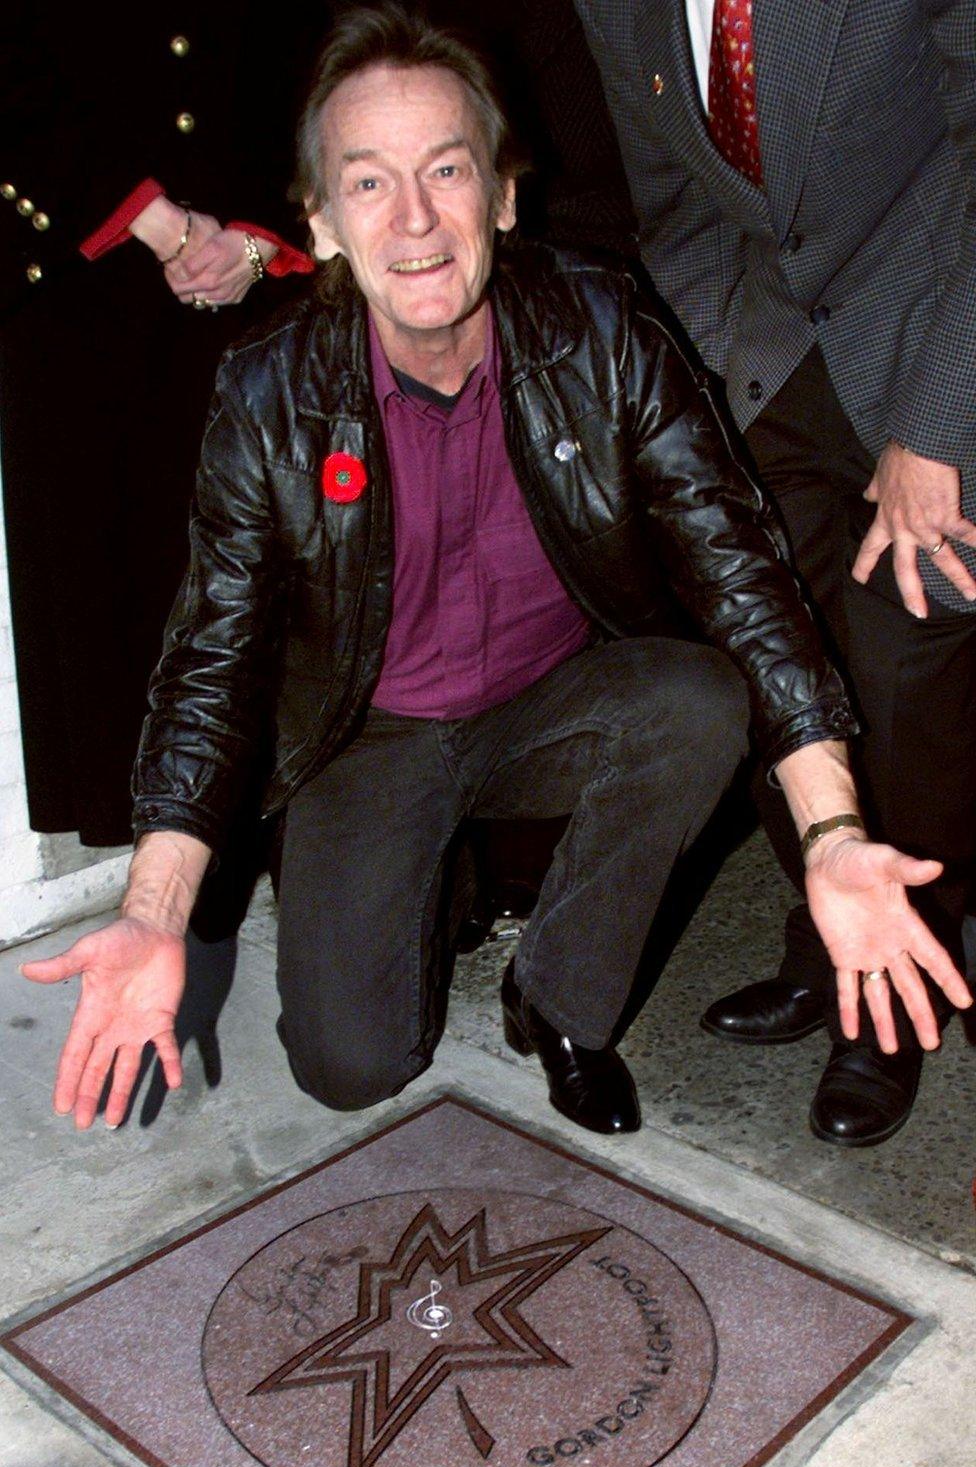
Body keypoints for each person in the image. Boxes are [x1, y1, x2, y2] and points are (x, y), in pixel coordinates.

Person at [22, 5, 971, 1140]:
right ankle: (416, 897)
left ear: (505, 198)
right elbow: (210, 666)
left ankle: (559, 1001)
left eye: (447, 171)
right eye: (368, 184)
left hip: (549, 707)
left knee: (698, 697)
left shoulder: (603, 333)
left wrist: (831, 836)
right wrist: (154, 909)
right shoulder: (267, 393)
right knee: (349, 1064)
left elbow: (744, 580)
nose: (415, 219)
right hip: (366, 735)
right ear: (320, 223)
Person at [568, 0, 976, 1145]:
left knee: (899, 670)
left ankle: (889, 1006)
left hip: (945, 324)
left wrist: (941, 425)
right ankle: (824, 934)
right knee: (762, 651)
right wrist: (705, 420)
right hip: (779, 348)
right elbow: (678, 214)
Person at [1, 7, 323, 845]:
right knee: (134, 639)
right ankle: (170, 896)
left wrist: (261, 238)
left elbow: (323, 49)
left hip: (257, 307)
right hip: (85, 313)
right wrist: (158, 221)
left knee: (294, 618)